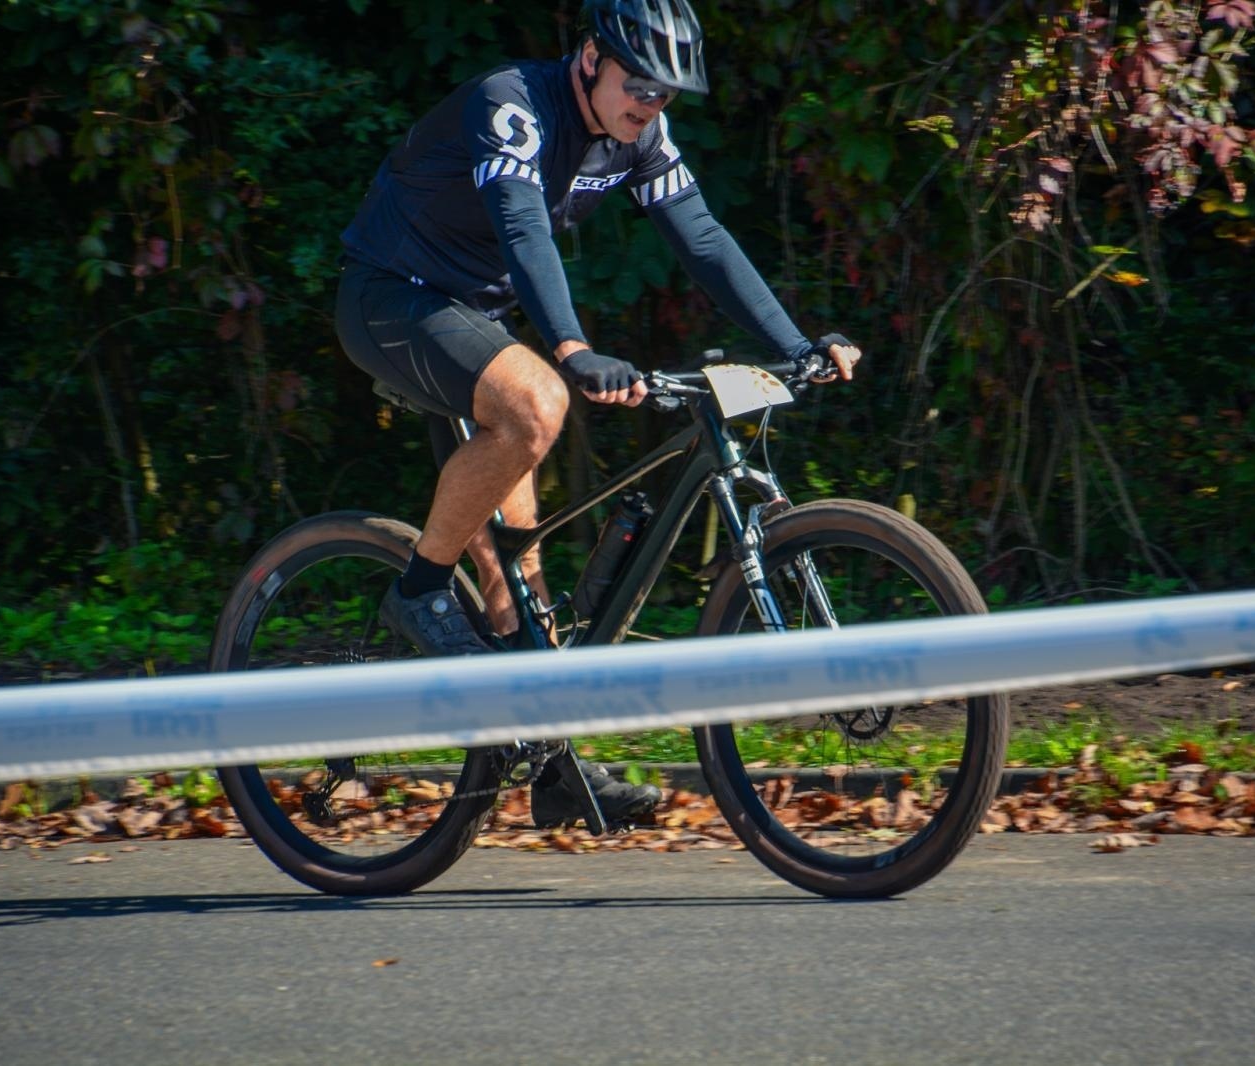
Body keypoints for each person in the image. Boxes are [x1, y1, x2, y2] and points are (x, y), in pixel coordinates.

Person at [334, 0, 863, 827]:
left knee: (520, 564)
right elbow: (521, 229)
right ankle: (419, 590)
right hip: (391, 296)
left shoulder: (641, 134)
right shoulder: (510, 101)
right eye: (639, 85)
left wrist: (797, 344)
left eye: (666, 95)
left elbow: (703, 237)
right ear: (590, 58)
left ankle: (553, 768)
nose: (650, 105)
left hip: (474, 316)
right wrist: (574, 350)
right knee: (539, 399)